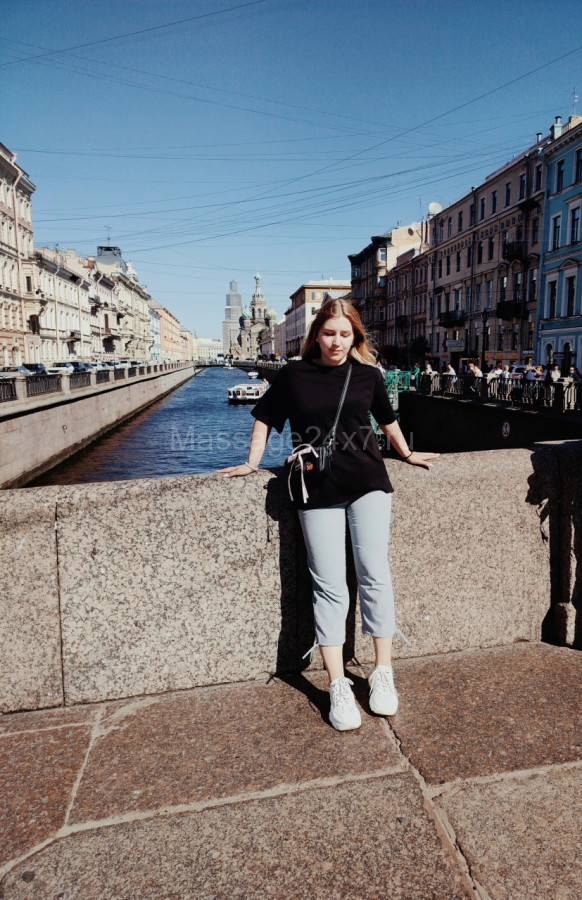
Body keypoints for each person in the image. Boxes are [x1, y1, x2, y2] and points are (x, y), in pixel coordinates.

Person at [219, 299, 438, 732]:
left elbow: (387, 420)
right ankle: (338, 684)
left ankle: (382, 671)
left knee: (375, 574)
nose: (336, 342)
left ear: (355, 336)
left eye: (344, 334)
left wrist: (407, 453)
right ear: (316, 335)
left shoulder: (368, 375)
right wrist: (251, 462)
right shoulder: (293, 375)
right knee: (329, 585)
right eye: (329, 333)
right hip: (315, 488)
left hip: (368, 482)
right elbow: (264, 417)